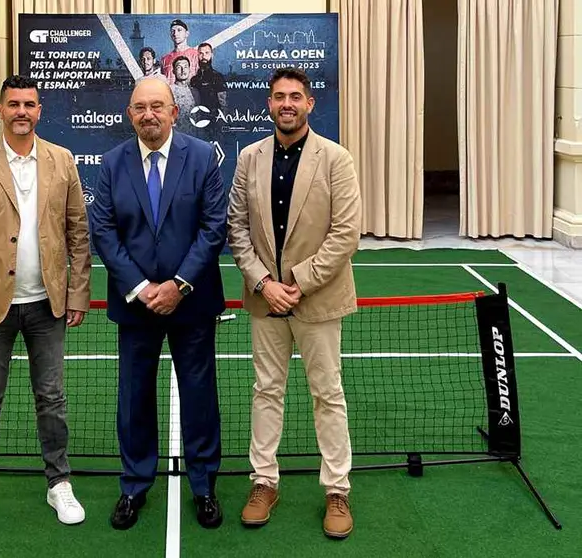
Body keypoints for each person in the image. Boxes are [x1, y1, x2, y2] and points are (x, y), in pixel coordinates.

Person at [0, 75, 92, 536]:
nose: (21, 111)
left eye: (29, 104)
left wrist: (77, 292)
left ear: (40, 110)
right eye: (14, 104)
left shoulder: (62, 161)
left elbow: (78, 234)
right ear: (0, 109)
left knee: (52, 398)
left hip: (47, 304)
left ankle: (59, 482)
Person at [226, 67, 361, 539]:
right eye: (279, 96)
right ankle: (264, 482)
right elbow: (237, 228)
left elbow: (345, 234)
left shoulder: (336, 159)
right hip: (266, 302)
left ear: (309, 104)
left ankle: (336, 490)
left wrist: (297, 284)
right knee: (267, 392)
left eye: (295, 97)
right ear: (269, 103)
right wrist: (265, 283)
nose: (287, 103)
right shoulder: (249, 158)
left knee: (328, 395)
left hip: (317, 301)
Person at [90, 77, 227, 530]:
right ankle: (133, 485)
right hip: (135, 306)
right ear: (130, 114)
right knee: (134, 398)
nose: (149, 114)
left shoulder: (204, 158)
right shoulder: (111, 164)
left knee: (199, 397)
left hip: (191, 303)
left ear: (174, 111)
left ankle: (204, 485)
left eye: (157, 106)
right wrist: (141, 288)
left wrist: (178, 285)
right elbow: (105, 232)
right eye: (139, 107)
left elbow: (213, 227)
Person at [160, 19, 199, 83]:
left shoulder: (196, 55)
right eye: (173, 31)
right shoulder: (165, 59)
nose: (175, 34)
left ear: (187, 34)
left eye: (179, 30)